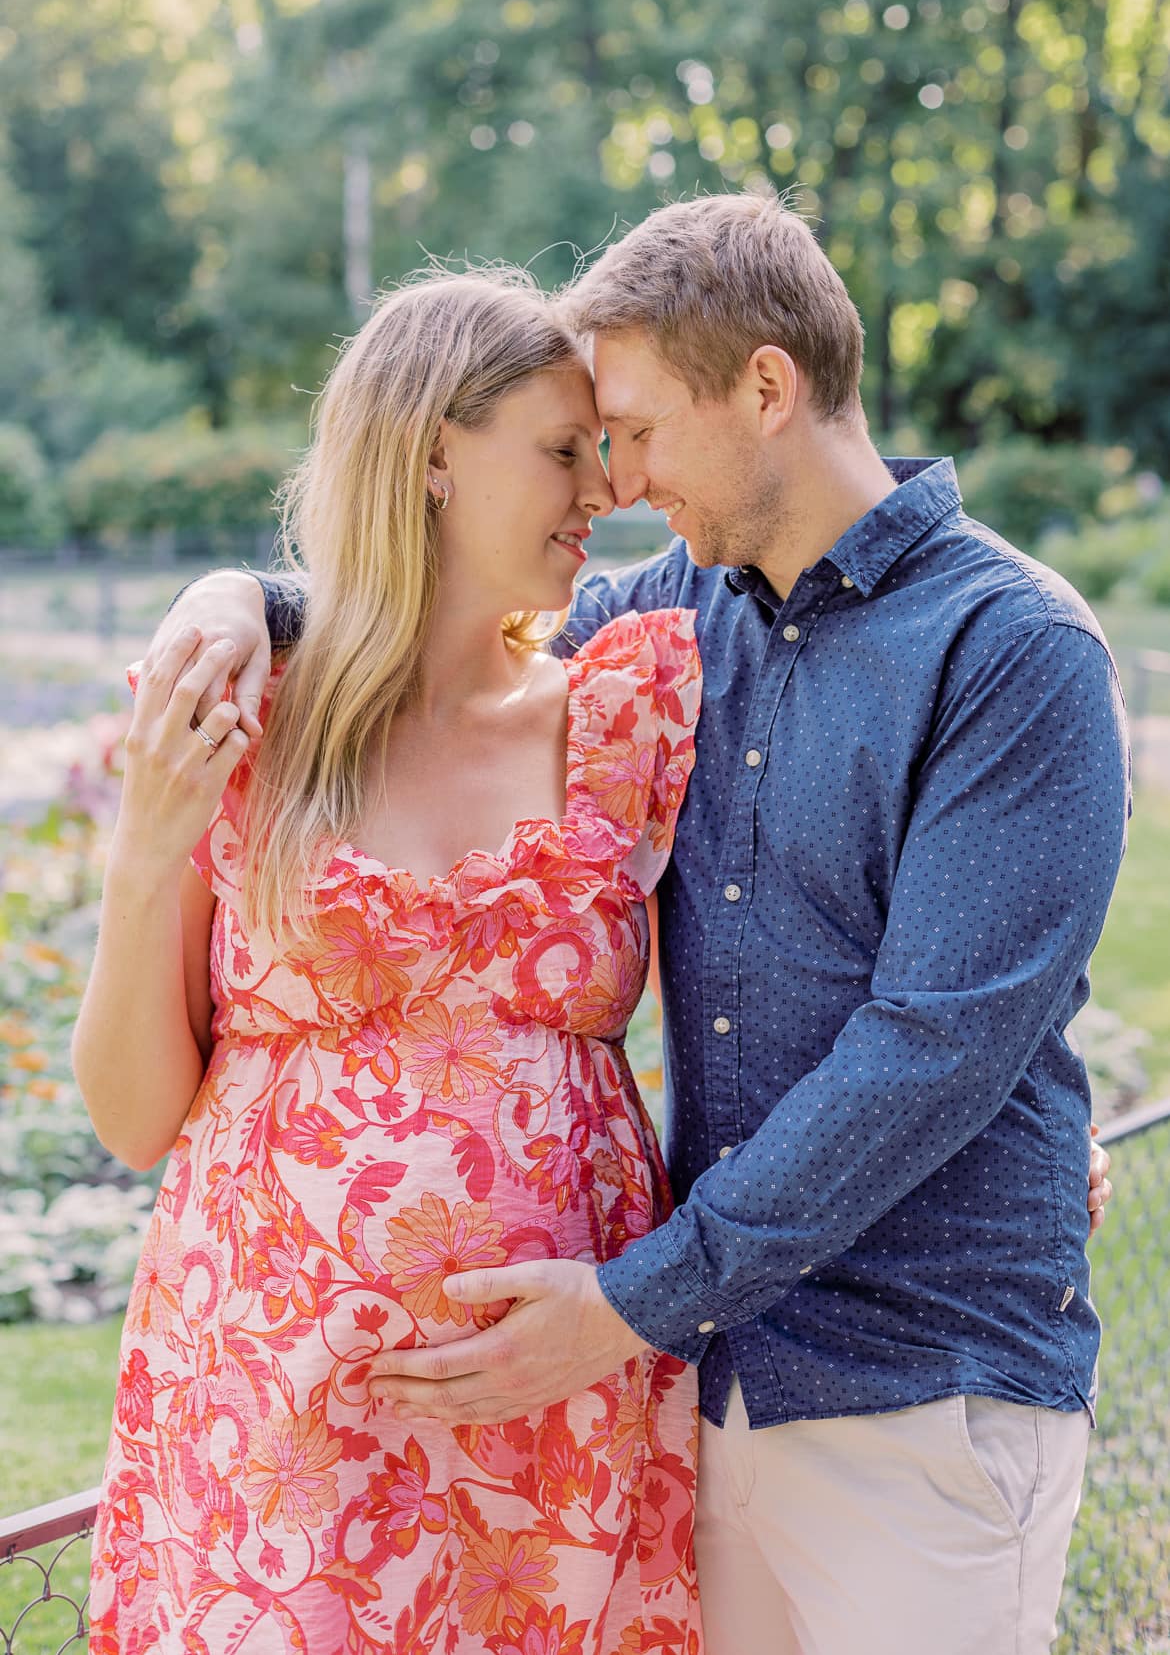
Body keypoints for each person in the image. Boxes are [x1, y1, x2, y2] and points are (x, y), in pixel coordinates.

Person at [167, 191, 1128, 1655]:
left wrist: (624, 1303)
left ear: (763, 385)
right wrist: (247, 598)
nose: (609, 480)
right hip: (718, 1382)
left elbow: (929, 1050)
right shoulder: (686, 610)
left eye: (632, 429)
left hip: (925, 1389)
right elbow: (443, 608)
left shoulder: (1013, 650)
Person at [73, 268, 706, 1654]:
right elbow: (131, 1121)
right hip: (277, 1409)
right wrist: (144, 858)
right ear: (429, 451)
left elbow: (824, 922)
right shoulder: (242, 719)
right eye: (560, 450)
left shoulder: (625, 719)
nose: (603, 491)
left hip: (563, 1404)